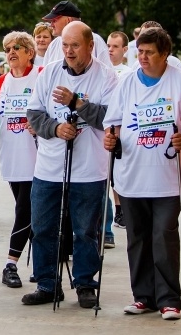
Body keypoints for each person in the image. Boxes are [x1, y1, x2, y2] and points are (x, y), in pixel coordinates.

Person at [103, 27, 181, 320]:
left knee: (164, 235)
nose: (143, 58)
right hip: (131, 176)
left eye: (149, 53)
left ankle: (170, 299)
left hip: (168, 178)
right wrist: (110, 139)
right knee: (137, 237)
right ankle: (143, 296)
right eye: (140, 52)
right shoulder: (126, 83)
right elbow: (113, 123)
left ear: (164, 54)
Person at [22, 21, 117, 308]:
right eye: (65, 44)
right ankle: (47, 284)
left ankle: (86, 283)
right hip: (49, 167)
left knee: (86, 231)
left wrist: (77, 103)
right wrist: (54, 128)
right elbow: (34, 114)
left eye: (75, 45)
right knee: (43, 227)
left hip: (89, 168)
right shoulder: (49, 72)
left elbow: (109, 118)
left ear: (90, 46)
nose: (69, 51)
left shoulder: (106, 76)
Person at [0, 31, 40, 288]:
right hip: (13, 158)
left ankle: (10, 264)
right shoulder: (0, 83)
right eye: (7, 49)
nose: (11, 52)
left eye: (17, 47)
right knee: (30, 211)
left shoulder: (42, 76)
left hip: (40, 159)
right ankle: (39, 263)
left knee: (26, 210)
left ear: (29, 52)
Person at [106, 30, 131, 232]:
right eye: (108, 46)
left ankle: (120, 208)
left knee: (118, 172)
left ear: (124, 50)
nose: (110, 50)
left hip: (121, 129)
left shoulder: (128, 73)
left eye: (115, 46)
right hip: (103, 128)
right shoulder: (101, 71)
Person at [41, 0, 113, 67]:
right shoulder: (54, 44)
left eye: (54, 20)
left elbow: (107, 73)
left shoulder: (95, 41)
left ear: (68, 20)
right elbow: (45, 76)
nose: (51, 25)